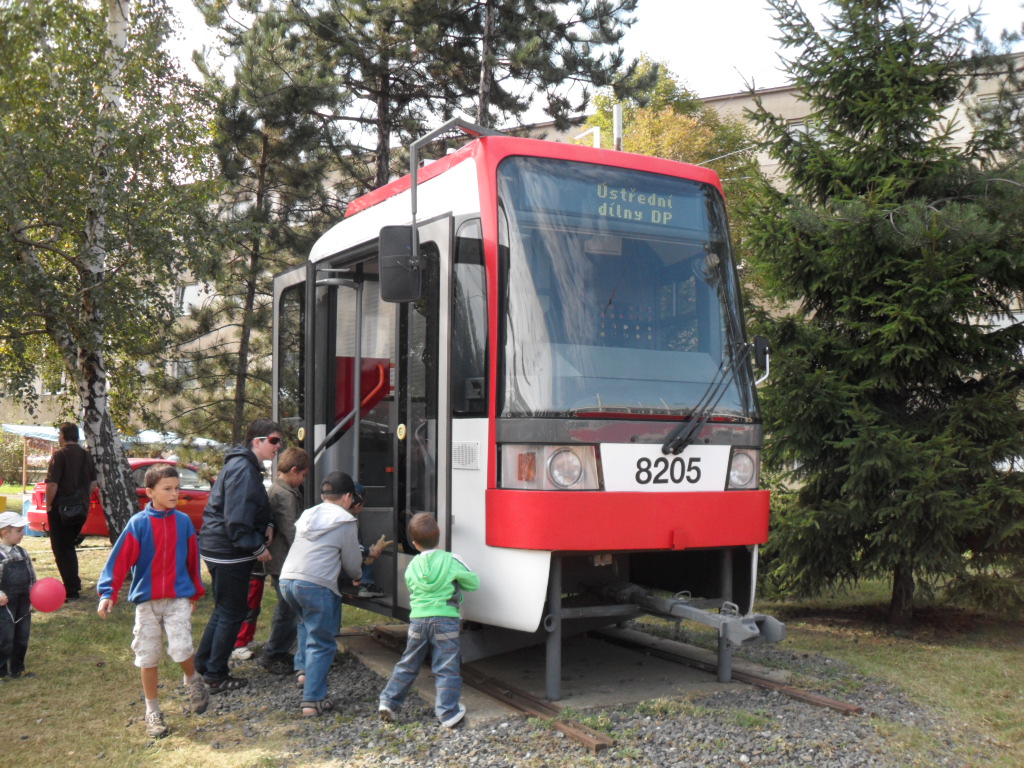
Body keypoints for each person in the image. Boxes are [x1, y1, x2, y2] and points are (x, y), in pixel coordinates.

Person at [96, 465, 209, 739]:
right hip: (147, 602)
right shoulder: (138, 524)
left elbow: (193, 561)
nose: (174, 493)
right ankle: (153, 711)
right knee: (148, 655)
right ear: (149, 493)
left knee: (182, 648)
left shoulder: (183, 522)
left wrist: (194, 592)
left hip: (177, 598)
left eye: (177, 488)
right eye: (167, 489)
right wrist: (107, 592)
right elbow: (119, 560)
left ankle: (193, 680)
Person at [195, 417, 282, 693]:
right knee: (232, 612)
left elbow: (256, 507)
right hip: (228, 551)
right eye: (274, 441)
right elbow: (236, 521)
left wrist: (267, 525)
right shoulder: (243, 468)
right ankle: (216, 675)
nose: (278, 447)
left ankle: (204, 664)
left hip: (224, 548)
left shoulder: (246, 466)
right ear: (257, 441)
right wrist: (259, 548)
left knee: (225, 610)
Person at [378, 512, 480, 730]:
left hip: (417, 621)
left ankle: (388, 702)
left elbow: (412, 586)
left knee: (408, 663)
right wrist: (457, 588)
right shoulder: (451, 559)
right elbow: (473, 583)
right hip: (445, 620)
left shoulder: (412, 565)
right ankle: (448, 713)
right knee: (446, 666)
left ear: (414, 543)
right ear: (439, 535)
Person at [279, 470, 362, 717]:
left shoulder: (308, 515)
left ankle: (303, 671)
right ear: (347, 496)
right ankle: (312, 701)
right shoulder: (345, 521)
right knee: (323, 643)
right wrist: (357, 576)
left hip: (288, 581)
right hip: (315, 585)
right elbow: (351, 563)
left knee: (306, 626)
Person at [259, 446, 310, 675]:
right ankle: (273, 654)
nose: (303, 480)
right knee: (287, 609)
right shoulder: (285, 494)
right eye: (303, 475)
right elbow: (291, 530)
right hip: (284, 560)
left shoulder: (279, 490)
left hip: (283, 560)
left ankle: (278, 650)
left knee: (287, 607)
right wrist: (307, 553)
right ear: (294, 470)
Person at [44, 422, 98, 601]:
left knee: (62, 548)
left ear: (64, 435)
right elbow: (92, 483)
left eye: (59, 434)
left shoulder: (60, 455)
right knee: (68, 547)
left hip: (61, 509)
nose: (58, 438)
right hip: (81, 509)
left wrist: (49, 505)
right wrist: (82, 498)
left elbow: (52, 484)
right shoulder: (86, 456)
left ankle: (72, 590)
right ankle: (73, 584)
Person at [0, 511, 37, 681]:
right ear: (4, 533)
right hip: (5, 603)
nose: (23, 534)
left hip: (24, 601)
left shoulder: (23, 553)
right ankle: (1, 671)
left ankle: (17, 668)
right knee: (5, 637)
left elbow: (31, 576)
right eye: (19, 531)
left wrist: (36, 595)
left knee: (22, 636)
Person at [351, 483, 392, 599]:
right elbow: (351, 547)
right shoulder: (347, 520)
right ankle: (366, 583)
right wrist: (370, 551)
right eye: (362, 504)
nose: (362, 508)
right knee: (366, 554)